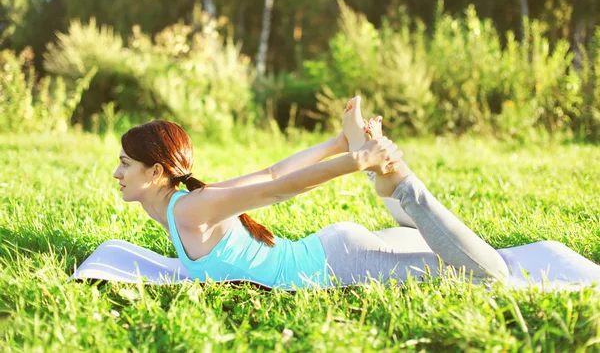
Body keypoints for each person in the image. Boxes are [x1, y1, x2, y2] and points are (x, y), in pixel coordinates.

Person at [110, 96, 525, 290]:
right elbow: (273, 172)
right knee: (425, 240)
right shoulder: (179, 204)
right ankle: (387, 187)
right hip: (332, 249)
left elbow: (277, 188)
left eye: (126, 163)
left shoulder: (190, 209)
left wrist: (355, 160)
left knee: (489, 276)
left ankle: (399, 185)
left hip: (339, 265)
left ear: (157, 172)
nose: (116, 172)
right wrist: (338, 145)